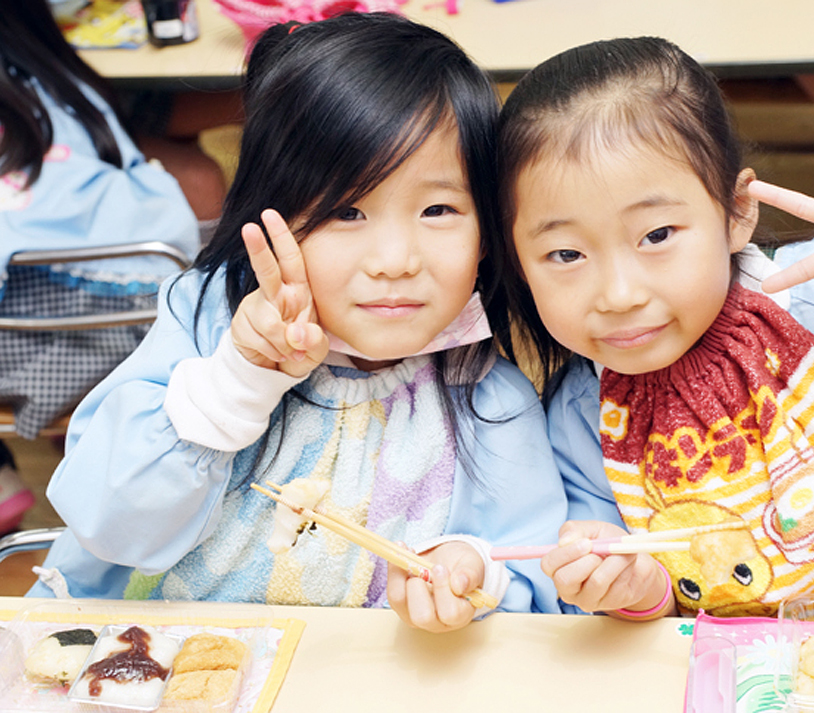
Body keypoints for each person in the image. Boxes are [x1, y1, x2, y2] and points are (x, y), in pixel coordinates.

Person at [28, 12, 568, 633]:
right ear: (270, 210)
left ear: (486, 232)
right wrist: (238, 380)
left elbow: (539, 587)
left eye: (439, 208)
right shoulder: (207, 325)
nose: (396, 261)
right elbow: (108, 524)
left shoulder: (487, 400)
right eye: (346, 211)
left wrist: (476, 567)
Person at [496, 36, 814, 620]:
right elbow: (654, 595)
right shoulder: (581, 419)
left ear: (738, 212)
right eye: (566, 255)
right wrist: (633, 591)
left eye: (658, 235)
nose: (619, 295)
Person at [0, 0, 201, 533]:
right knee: (197, 173)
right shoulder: (51, 74)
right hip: (158, 318)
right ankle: (88, 453)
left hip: (43, 335)